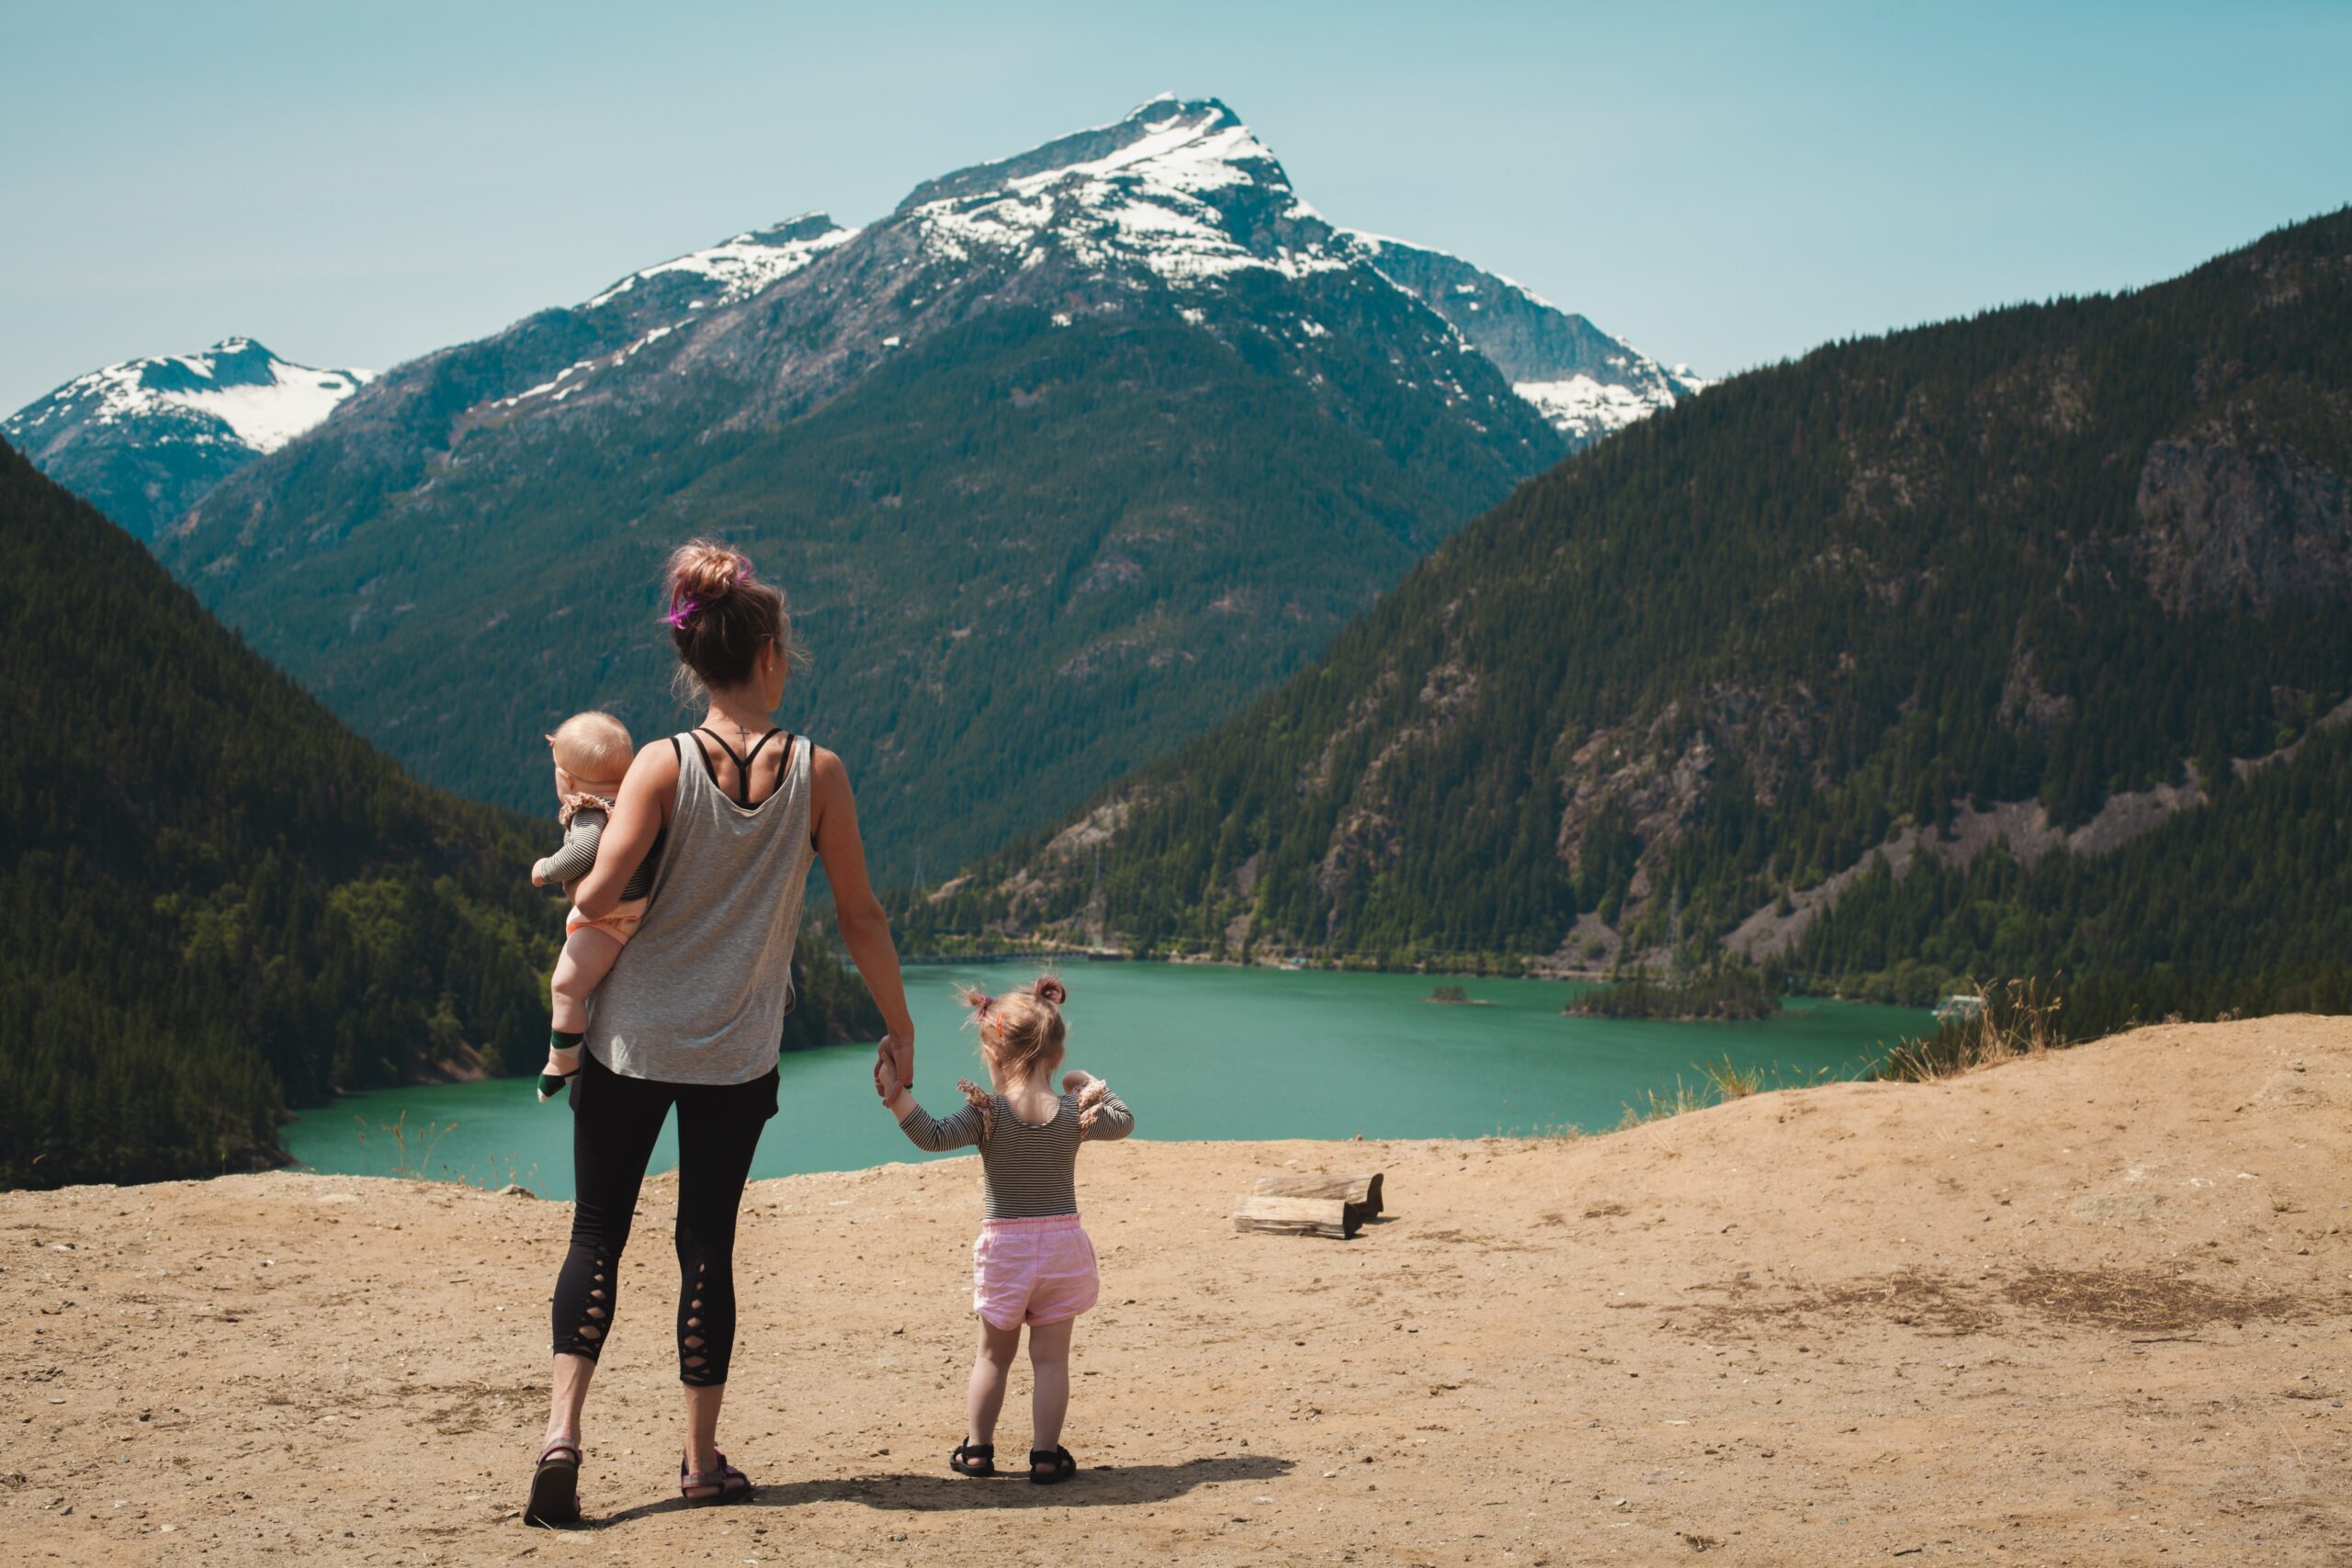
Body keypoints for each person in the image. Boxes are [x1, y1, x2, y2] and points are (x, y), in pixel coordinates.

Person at [525, 540, 915, 1527]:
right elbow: (860, 916)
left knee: (597, 1232)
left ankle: (562, 1439)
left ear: (694, 662)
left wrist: (587, 864)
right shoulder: (818, 773)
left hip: (628, 1046)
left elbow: (604, 887)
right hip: (736, 1055)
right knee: (707, 1246)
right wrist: (900, 1023)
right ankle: (700, 1463)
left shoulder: (659, 763)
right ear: (772, 654)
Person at [876, 976, 1135, 1485]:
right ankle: (1044, 1455)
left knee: (993, 1357)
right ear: (1056, 1056)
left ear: (992, 1053)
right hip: (1063, 1248)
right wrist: (1086, 1081)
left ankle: (977, 1450)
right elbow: (1124, 1120)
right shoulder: (1072, 1113)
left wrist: (896, 1095)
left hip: (1007, 1252)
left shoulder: (988, 1114)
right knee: (1052, 1360)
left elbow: (931, 1136)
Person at [529, 711, 650, 1102]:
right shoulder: (635, 801)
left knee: (565, 985)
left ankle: (561, 1061)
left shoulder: (589, 811)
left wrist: (544, 870)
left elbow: (582, 853)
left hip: (613, 918)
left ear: (564, 779)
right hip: (639, 905)